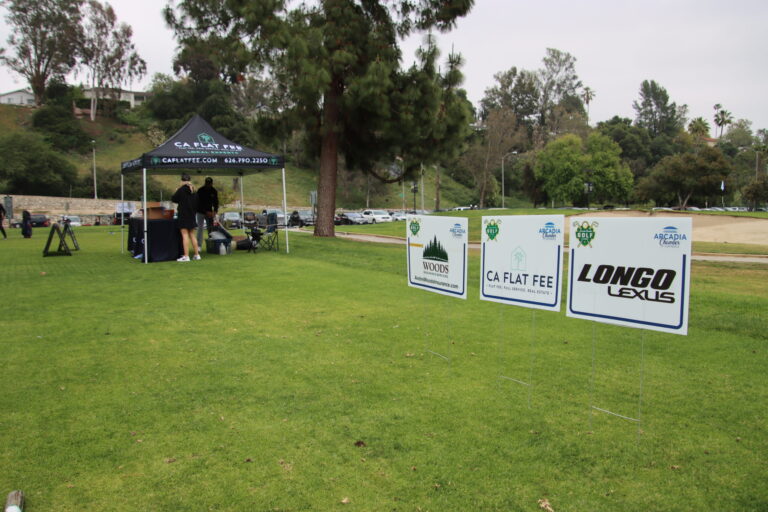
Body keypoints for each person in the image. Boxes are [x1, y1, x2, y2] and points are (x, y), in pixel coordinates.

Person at [171, 173, 201, 262]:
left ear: (182, 181)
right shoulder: (194, 190)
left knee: (184, 235)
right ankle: (197, 254)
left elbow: (174, 199)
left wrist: (176, 190)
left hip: (183, 214)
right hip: (192, 214)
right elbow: (197, 203)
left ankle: (186, 256)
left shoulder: (181, 190)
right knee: (192, 234)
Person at [195, 176, 219, 246]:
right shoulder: (200, 190)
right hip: (200, 211)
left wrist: (215, 211)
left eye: (209, 183)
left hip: (210, 212)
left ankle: (211, 243)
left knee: (211, 227)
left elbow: (216, 202)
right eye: (207, 183)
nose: (208, 185)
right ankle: (199, 245)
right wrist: (206, 212)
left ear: (212, 183)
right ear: (205, 183)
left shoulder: (214, 191)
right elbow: (198, 203)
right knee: (200, 228)